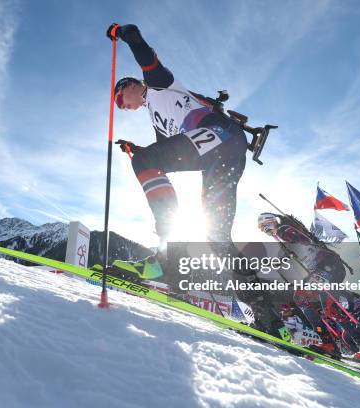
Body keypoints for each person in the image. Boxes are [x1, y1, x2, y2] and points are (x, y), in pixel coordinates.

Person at [108, 24, 289, 341]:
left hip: (219, 135)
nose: (123, 107)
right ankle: (270, 319)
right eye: (120, 107)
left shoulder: (160, 87)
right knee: (217, 236)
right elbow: (168, 158)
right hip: (222, 157)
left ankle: (163, 259)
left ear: (132, 85)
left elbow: (146, 54)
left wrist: (125, 34)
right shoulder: (156, 118)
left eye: (120, 99)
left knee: (147, 162)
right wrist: (137, 151)